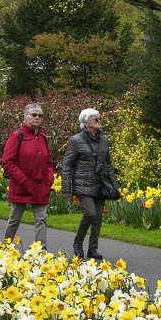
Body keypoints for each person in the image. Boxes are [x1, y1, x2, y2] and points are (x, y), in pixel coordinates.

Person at [61, 107, 119, 261]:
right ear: (86, 123)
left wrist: (115, 187)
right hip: (83, 184)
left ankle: (93, 248)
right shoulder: (75, 140)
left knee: (98, 218)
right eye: (96, 119)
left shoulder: (104, 140)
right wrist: (66, 187)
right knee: (90, 213)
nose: (99, 121)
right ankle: (78, 243)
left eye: (99, 118)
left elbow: (108, 164)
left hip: (100, 183)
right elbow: (67, 165)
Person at [1, 103, 54, 248]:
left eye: (40, 116)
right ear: (25, 117)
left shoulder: (43, 138)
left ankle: (41, 252)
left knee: (41, 219)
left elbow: (48, 162)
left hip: (40, 186)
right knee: (14, 220)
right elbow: (7, 162)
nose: (37, 118)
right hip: (21, 186)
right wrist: (23, 180)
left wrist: (49, 179)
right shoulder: (17, 136)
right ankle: (4, 248)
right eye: (34, 115)